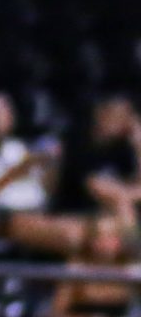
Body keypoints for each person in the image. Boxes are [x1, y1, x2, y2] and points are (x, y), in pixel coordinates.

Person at [0, 91, 76, 256]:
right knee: (69, 236)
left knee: (86, 232)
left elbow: (46, 192)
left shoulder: (21, 148)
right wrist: (15, 172)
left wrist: (53, 166)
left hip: (36, 213)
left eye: (2, 112)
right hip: (0, 219)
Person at [42, 216, 138, 317]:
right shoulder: (76, 270)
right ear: (90, 240)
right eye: (100, 237)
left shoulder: (130, 271)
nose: (106, 243)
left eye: (112, 236)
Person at [52, 94, 141, 234]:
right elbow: (98, 187)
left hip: (110, 214)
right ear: (99, 113)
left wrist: (138, 145)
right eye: (114, 115)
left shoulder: (122, 148)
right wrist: (130, 193)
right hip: (76, 211)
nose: (119, 122)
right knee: (117, 212)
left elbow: (136, 183)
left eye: (124, 117)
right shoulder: (78, 142)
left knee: (117, 215)